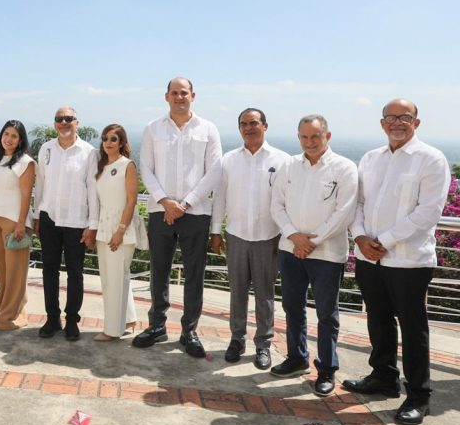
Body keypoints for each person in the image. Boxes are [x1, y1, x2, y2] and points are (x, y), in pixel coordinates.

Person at [344, 99, 450, 425]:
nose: (397, 123)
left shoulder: (431, 159)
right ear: (382, 123)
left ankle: (418, 395)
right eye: (391, 117)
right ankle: (383, 377)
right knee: (377, 320)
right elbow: (357, 203)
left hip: (409, 261)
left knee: (412, 327)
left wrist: (385, 241)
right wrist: (361, 238)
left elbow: (428, 211)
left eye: (405, 117)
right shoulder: (371, 159)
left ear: (416, 122)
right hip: (368, 257)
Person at [270, 114, 357, 397]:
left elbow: (343, 213)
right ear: (298, 137)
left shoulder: (344, 168)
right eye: (304, 137)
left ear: (327, 136)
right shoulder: (289, 166)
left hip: (327, 253)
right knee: (292, 307)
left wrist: (311, 242)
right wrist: (294, 236)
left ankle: (327, 369)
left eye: (315, 136)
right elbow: (277, 205)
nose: (310, 142)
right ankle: (297, 358)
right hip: (290, 249)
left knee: (326, 314)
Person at [133, 78, 222, 358]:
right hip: (161, 211)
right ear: (166, 96)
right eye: (175, 93)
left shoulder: (208, 129)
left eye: (184, 93)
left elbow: (215, 171)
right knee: (159, 270)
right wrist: (166, 201)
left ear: (193, 96)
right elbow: (146, 168)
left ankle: (189, 331)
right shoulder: (152, 129)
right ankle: (157, 325)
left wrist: (185, 204)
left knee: (194, 274)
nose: (179, 97)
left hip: (195, 213)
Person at [209, 109, 291, 369]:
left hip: (270, 237)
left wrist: (286, 235)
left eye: (254, 123)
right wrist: (215, 231)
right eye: (243, 124)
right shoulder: (229, 160)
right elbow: (219, 198)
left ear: (265, 126)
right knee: (237, 292)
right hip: (236, 235)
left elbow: (288, 201)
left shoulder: (282, 160)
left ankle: (263, 344)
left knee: (265, 294)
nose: (248, 128)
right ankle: (237, 339)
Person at [33, 106, 98, 341]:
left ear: (77, 122)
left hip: (77, 220)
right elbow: (40, 184)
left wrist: (92, 224)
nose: (63, 122)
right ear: (54, 124)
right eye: (59, 119)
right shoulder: (46, 149)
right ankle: (52, 318)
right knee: (49, 270)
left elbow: (93, 189)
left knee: (75, 273)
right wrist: (37, 215)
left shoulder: (89, 152)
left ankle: (72, 320)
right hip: (49, 217)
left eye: (68, 118)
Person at [92, 124, 140, 341]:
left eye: (113, 139)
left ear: (121, 142)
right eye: (105, 138)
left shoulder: (127, 165)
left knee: (115, 280)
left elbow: (131, 201)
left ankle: (112, 330)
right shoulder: (101, 166)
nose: (108, 142)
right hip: (104, 226)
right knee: (111, 278)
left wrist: (120, 230)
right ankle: (128, 318)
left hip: (122, 227)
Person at [0, 119, 34, 331]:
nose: (9, 139)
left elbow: (26, 195)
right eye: (6, 134)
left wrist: (21, 224)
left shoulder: (25, 162)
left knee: (16, 273)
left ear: (21, 140)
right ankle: (1, 308)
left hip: (16, 222)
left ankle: (10, 316)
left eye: (14, 136)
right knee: (3, 271)